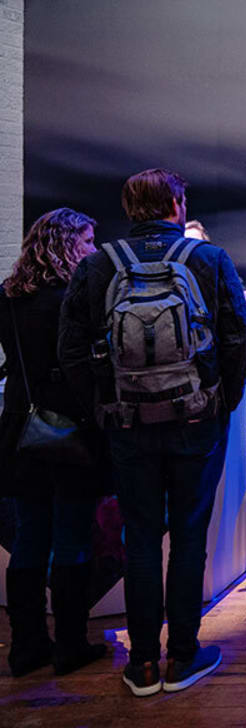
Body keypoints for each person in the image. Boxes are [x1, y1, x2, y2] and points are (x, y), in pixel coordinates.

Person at [58, 168, 246, 696]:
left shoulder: (98, 265)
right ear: (175, 204)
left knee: (139, 538)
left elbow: (70, 352)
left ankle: (142, 663)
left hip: (128, 426)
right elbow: (237, 340)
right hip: (196, 421)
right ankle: (183, 658)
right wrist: (222, 404)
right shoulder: (209, 260)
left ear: (129, 207)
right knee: (190, 540)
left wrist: (103, 405)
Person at [0, 208, 110, 678]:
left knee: (28, 539)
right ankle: (70, 644)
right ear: (68, 244)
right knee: (71, 539)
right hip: (71, 435)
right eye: (86, 241)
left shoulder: (6, 299)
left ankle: (26, 647)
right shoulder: (75, 299)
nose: (91, 250)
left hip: (21, 433)